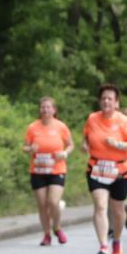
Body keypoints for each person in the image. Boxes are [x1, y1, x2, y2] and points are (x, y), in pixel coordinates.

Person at [81, 84, 127, 254]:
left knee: (117, 210)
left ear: (116, 102)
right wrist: (85, 144)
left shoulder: (124, 122)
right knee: (100, 206)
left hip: (120, 171)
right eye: (103, 98)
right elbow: (86, 137)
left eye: (110, 98)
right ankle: (103, 246)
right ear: (100, 102)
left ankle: (116, 241)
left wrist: (119, 145)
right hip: (97, 169)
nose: (106, 101)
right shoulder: (92, 119)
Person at [23, 97, 74, 245]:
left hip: (56, 169)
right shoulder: (33, 127)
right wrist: (30, 149)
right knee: (42, 204)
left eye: (48, 107)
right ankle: (47, 234)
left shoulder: (61, 126)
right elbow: (25, 147)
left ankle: (57, 227)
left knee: (53, 201)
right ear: (40, 110)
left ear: (54, 110)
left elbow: (70, 144)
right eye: (43, 107)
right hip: (38, 170)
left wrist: (65, 153)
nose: (45, 110)